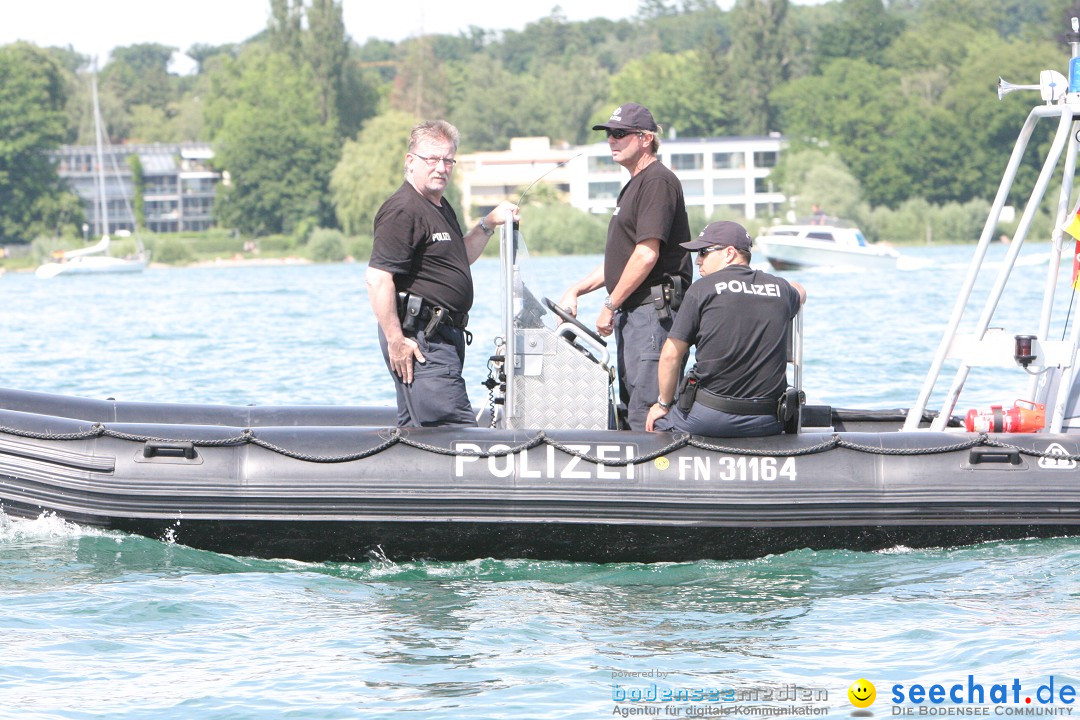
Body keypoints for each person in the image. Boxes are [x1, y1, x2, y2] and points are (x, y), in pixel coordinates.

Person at [367, 120, 519, 427]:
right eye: (432, 159)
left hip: (442, 339)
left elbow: (457, 259)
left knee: (418, 434)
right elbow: (378, 278)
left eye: (448, 160)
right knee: (455, 431)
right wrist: (396, 340)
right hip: (422, 342)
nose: (441, 167)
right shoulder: (403, 209)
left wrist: (487, 224)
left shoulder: (438, 205)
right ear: (410, 162)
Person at [559, 102, 692, 431]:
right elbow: (622, 261)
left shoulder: (657, 182)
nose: (612, 141)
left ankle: (657, 478)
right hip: (635, 316)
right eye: (609, 134)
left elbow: (646, 255)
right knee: (633, 403)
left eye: (620, 134)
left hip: (652, 314)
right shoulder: (635, 184)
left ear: (646, 138)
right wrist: (578, 289)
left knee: (648, 410)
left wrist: (610, 303)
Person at [645, 221, 807, 437]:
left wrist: (663, 405)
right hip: (767, 420)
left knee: (657, 426)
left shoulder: (701, 290)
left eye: (704, 252)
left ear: (729, 253)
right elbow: (800, 291)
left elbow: (670, 356)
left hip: (710, 417)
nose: (698, 261)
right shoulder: (782, 290)